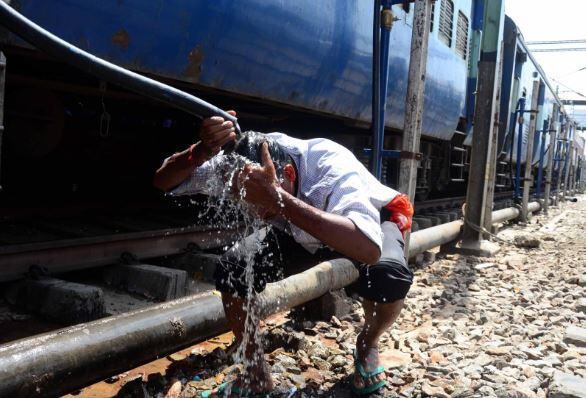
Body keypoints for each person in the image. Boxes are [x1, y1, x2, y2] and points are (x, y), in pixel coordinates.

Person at [153, 112, 414, 397]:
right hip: (296, 228)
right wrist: (201, 151)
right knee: (233, 267)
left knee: (390, 275)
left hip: (359, 228)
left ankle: (369, 342)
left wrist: (278, 201)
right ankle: (255, 373)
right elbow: (163, 180)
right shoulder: (242, 167)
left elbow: (368, 249)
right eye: (249, 203)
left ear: (287, 175)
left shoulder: (330, 166)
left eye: (262, 204)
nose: (256, 213)